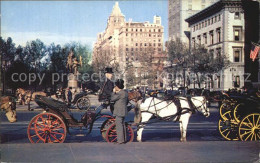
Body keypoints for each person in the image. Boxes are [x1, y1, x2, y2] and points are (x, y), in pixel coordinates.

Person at [110, 79, 128, 144]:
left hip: (119, 112)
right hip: (123, 111)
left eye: (115, 86)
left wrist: (113, 92)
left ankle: (120, 140)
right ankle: (124, 139)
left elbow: (112, 99)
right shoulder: (125, 93)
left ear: (117, 87)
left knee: (119, 126)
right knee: (122, 125)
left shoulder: (120, 93)